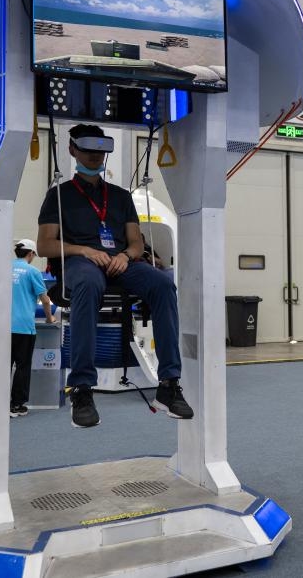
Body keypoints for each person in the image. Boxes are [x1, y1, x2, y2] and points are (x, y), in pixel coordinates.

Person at [37, 124, 194, 428]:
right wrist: (83, 250)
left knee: (162, 284)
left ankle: (169, 384)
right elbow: (45, 245)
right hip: (80, 264)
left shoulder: (121, 198)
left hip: (121, 264)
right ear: (72, 150)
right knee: (86, 282)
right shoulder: (59, 196)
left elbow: (136, 242)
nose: (94, 156)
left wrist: (125, 255)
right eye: (87, 150)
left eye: (99, 151)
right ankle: (82, 388)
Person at [10, 238, 55, 417]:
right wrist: (50, 318)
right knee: (22, 366)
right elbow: (45, 299)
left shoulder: (3, 269)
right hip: (24, 327)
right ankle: (16, 405)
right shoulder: (32, 271)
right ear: (31, 254)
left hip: (2, 326)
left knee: (2, 367)